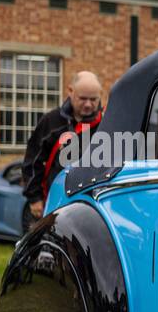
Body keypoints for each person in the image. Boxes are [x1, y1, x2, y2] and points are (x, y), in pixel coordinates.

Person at [21, 71, 104, 222]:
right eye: (83, 98)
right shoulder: (51, 122)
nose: (88, 104)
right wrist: (34, 198)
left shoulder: (107, 125)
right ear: (70, 91)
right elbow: (32, 161)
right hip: (55, 201)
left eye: (93, 99)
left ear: (100, 96)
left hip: (93, 204)